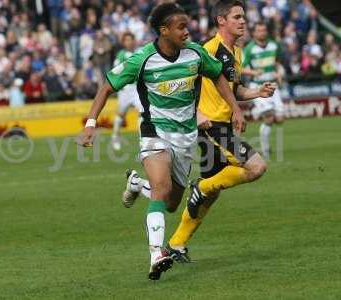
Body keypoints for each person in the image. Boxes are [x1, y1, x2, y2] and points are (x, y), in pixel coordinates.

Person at [79, 2, 246, 280]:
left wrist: (236, 108)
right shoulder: (142, 59)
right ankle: (157, 254)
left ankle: (135, 184)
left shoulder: (195, 55)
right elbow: (107, 86)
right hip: (154, 132)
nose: (187, 31)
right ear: (163, 30)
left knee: (169, 202)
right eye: (181, 27)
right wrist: (90, 124)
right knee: (161, 187)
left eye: (187, 25)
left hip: (185, 137)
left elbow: (217, 76)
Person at [166, 0, 276, 262]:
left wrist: (257, 92)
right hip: (210, 126)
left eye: (243, 17)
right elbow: (182, 85)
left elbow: (232, 89)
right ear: (221, 21)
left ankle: (176, 244)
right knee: (256, 166)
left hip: (222, 125)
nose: (243, 21)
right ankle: (201, 187)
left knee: (211, 194)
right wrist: (196, 113)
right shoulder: (208, 49)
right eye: (237, 16)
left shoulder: (236, 52)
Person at [242, 21, 285, 159]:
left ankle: (255, 112)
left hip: (273, 86)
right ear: (254, 33)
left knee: (279, 119)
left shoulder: (274, 45)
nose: (262, 33)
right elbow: (241, 68)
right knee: (269, 117)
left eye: (264, 30)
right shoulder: (249, 49)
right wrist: (253, 73)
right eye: (259, 30)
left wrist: (279, 73)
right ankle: (265, 150)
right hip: (259, 87)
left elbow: (277, 62)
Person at [110, 32, 143, 151]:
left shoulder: (139, 52)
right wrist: (118, 85)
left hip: (136, 88)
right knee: (121, 114)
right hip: (125, 89)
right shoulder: (121, 54)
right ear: (123, 42)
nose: (129, 42)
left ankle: (142, 140)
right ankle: (115, 137)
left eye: (131, 40)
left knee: (142, 112)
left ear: (134, 41)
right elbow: (116, 70)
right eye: (126, 40)